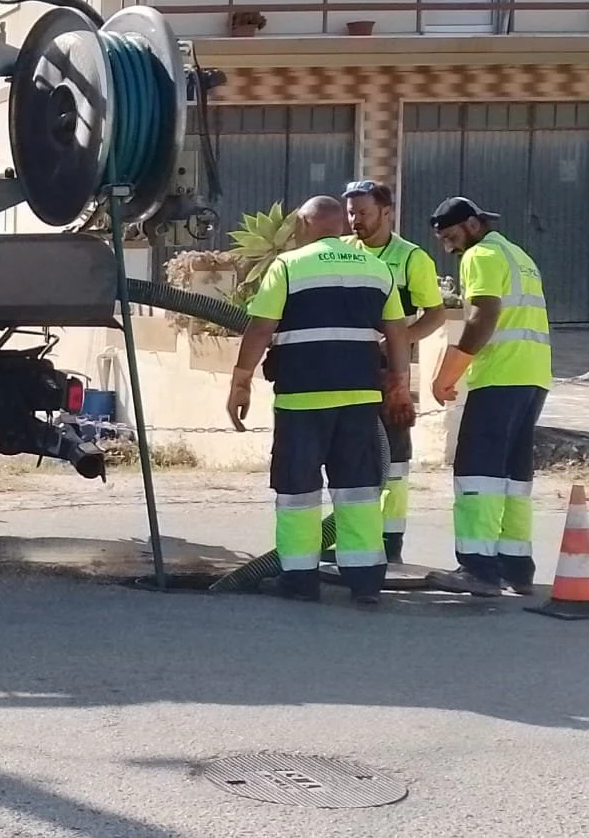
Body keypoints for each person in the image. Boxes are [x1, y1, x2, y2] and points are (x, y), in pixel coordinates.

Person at [227, 195, 412, 603]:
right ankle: (365, 580)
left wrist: (240, 382)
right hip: (360, 401)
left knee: (298, 491)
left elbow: (260, 329)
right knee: (360, 489)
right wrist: (399, 384)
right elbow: (397, 333)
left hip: (301, 401)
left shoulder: (289, 266)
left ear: (302, 226)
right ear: (340, 228)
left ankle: (299, 579)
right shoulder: (377, 268)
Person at [429, 196, 551, 594]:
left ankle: (478, 569)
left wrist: (447, 375)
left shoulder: (480, 255)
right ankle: (517, 567)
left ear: (474, 225)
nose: (449, 246)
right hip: (532, 378)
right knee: (513, 477)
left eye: (451, 236)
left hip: (499, 376)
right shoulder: (518, 255)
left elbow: (483, 315)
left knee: (477, 473)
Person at [342, 180, 447, 562]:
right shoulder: (343, 253)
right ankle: (355, 536)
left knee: (395, 459)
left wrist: (398, 342)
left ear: (387, 213)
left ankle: (390, 542)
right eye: (351, 213)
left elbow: (435, 314)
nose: (355, 221)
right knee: (351, 455)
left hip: (390, 373)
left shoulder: (411, 258)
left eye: (363, 213)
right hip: (348, 369)